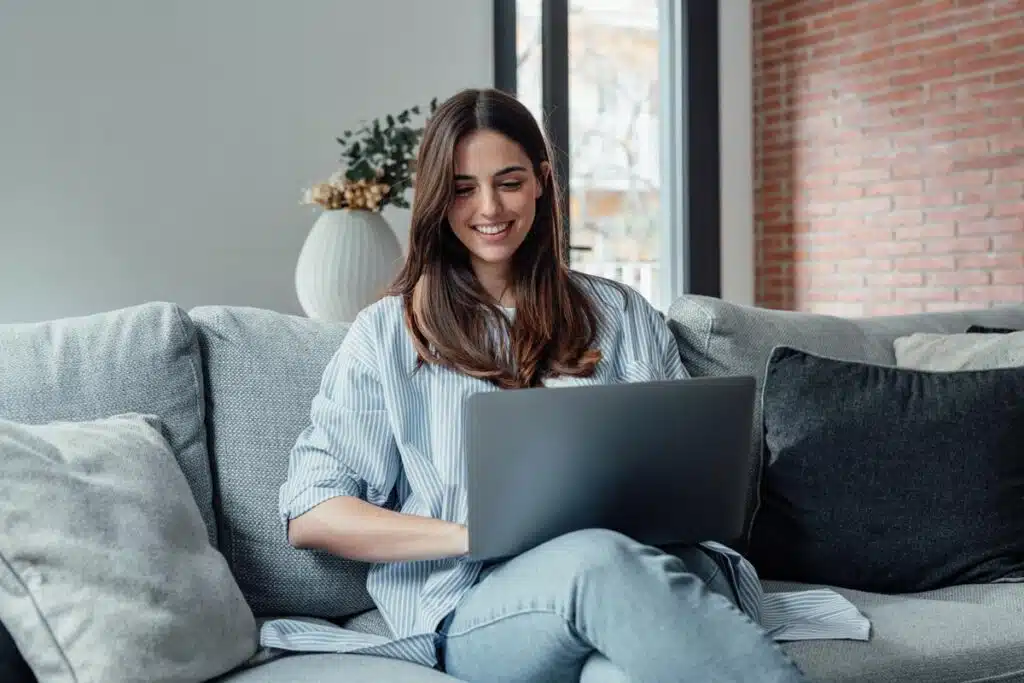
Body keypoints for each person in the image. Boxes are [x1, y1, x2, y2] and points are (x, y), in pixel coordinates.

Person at [263, 88, 868, 682]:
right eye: (463, 188)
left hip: (656, 571)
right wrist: (475, 535)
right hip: (485, 604)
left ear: (542, 181)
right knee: (595, 559)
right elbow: (314, 514)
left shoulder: (621, 313)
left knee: (615, 669)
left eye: (509, 181)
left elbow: (692, 476)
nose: (490, 209)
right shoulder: (387, 334)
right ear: (435, 199)